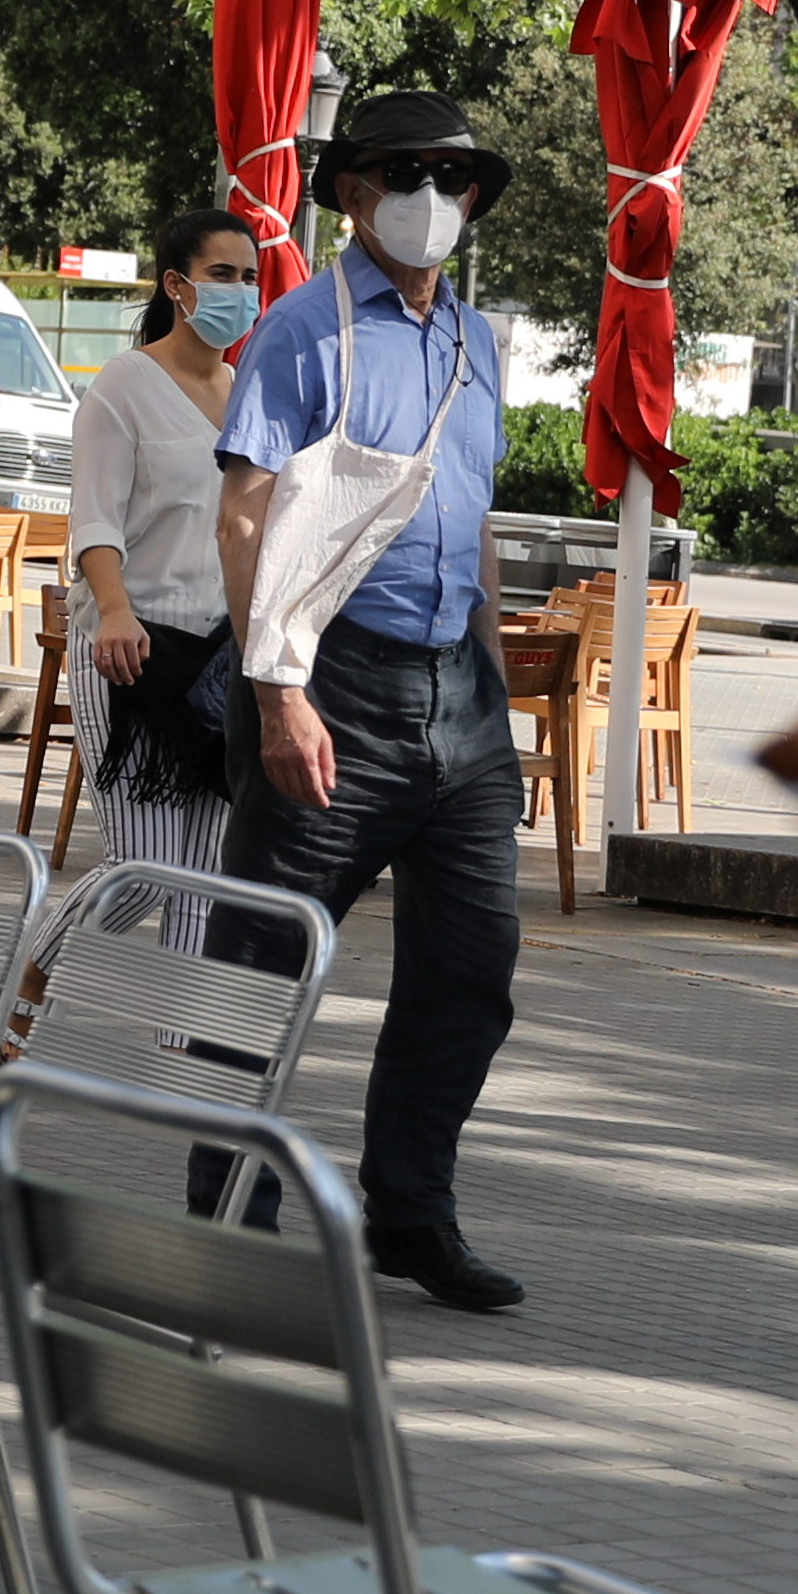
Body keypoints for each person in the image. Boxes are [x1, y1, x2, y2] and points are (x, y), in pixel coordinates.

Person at [211, 91, 528, 1310]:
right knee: (264, 961)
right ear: (350, 193)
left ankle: (411, 1212)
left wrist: (491, 676)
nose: (433, 196)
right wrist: (279, 690)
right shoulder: (304, 330)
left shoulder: (479, 343)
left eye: (455, 176)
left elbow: (472, 517)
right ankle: (230, 1222)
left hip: (458, 696)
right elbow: (244, 515)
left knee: (470, 970)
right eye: (407, 172)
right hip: (330, 675)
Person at [69, 204, 260, 913]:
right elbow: (93, 516)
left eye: (248, 276)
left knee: (204, 876)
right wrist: (113, 610)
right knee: (144, 870)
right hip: (130, 649)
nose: (238, 290)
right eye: (221, 274)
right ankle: (28, 983)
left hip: (218, 663)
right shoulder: (123, 384)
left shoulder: (248, 397)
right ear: (176, 285)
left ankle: (177, 1031)